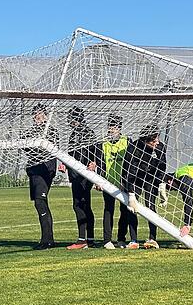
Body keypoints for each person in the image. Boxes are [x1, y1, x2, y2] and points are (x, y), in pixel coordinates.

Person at [22, 105, 63, 249]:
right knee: (39, 203)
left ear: (45, 115)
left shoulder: (51, 131)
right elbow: (25, 145)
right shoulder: (31, 132)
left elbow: (49, 150)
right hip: (34, 170)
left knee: (41, 201)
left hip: (45, 170)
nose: (36, 117)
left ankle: (48, 240)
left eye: (39, 114)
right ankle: (46, 239)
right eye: (34, 114)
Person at [93, 114, 137, 249]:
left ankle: (121, 239)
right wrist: (99, 181)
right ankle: (107, 240)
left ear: (119, 128)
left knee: (125, 211)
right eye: (110, 127)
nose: (112, 130)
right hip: (108, 183)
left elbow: (130, 163)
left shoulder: (127, 141)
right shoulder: (103, 144)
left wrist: (128, 181)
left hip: (123, 183)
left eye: (114, 127)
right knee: (108, 210)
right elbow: (100, 164)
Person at [122, 127, 167, 249]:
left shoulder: (160, 147)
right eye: (154, 140)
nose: (157, 142)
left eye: (158, 139)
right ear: (146, 140)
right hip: (135, 179)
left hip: (150, 178)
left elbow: (162, 166)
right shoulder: (133, 149)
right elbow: (129, 171)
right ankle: (133, 240)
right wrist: (131, 193)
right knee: (132, 208)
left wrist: (161, 185)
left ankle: (152, 239)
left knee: (151, 206)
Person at [65, 106, 99, 249]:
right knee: (85, 205)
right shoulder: (76, 133)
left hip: (83, 174)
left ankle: (82, 240)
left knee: (79, 205)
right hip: (76, 174)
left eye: (71, 118)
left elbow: (94, 151)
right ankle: (89, 238)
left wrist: (93, 163)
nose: (69, 121)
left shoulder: (85, 133)